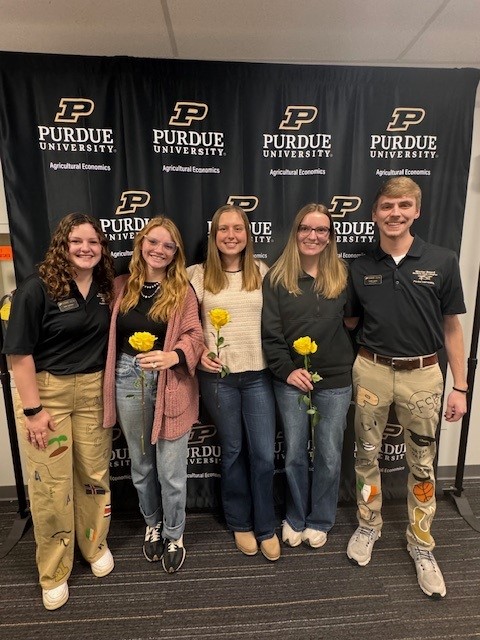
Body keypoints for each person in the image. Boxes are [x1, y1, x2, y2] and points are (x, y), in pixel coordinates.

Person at [346, 177, 467, 599]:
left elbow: (452, 327)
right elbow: (350, 321)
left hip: (424, 374)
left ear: (417, 211)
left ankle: (421, 543)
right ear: (374, 213)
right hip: (371, 371)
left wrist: (461, 387)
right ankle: (368, 524)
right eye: (386, 206)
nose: (394, 213)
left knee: (423, 464)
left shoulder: (443, 260)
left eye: (403, 205)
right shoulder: (360, 266)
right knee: (365, 456)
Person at [3, 213, 116, 611]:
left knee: (94, 475)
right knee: (51, 487)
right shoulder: (36, 288)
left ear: (102, 248)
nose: (86, 248)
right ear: (62, 246)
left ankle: (93, 544)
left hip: (93, 391)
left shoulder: (104, 287)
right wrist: (33, 410)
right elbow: (19, 354)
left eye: (93, 242)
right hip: (47, 394)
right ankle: (53, 570)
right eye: (76, 241)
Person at [103, 216, 203, 574]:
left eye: (168, 245)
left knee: (171, 471)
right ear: (140, 244)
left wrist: (173, 356)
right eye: (153, 242)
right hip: (126, 377)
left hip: (170, 381)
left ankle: (175, 533)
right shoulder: (120, 286)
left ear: (175, 253)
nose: (159, 250)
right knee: (141, 465)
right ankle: (153, 524)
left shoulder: (183, 290)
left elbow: (195, 335)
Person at [188, 204, 281, 561]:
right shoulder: (197, 275)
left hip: (258, 376)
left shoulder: (261, 271)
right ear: (214, 235)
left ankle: (265, 525)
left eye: (237, 228)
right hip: (218, 379)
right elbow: (184, 326)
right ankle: (240, 522)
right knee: (233, 451)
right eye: (223, 229)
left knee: (263, 454)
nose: (231, 235)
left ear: (247, 234)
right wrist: (198, 352)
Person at [262, 203, 354, 550]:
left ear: (330, 236)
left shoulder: (343, 275)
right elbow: (270, 334)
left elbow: (353, 323)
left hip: (335, 381)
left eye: (321, 230)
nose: (312, 236)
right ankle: (296, 516)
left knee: (329, 454)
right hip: (291, 380)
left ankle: (320, 519)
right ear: (296, 232)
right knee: (295, 454)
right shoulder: (276, 278)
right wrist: (288, 371)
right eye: (305, 228)